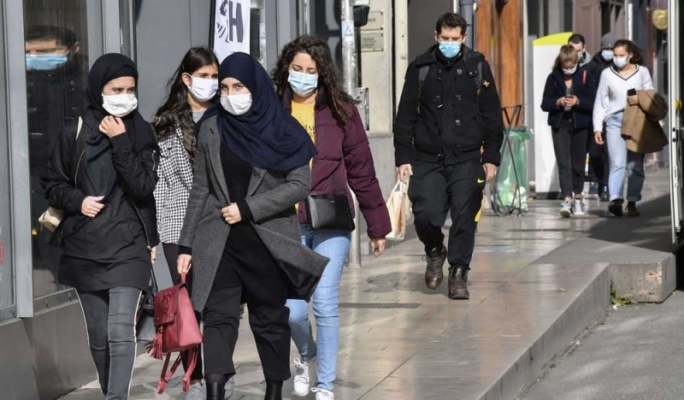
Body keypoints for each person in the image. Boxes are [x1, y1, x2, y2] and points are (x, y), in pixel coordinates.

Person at [176, 52, 328, 400]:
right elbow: (200, 188)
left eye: (239, 87)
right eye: (225, 88)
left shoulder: (283, 128)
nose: (231, 95)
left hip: (267, 240)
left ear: (255, 88)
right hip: (219, 241)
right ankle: (215, 389)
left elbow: (299, 185)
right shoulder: (212, 126)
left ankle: (274, 389)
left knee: (269, 319)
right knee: (218, 316)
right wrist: (186, 245)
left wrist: (248, 208)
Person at [272, 36, 391, 400]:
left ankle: (325, 384)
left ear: (323, 73)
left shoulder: (341, 111)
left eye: (311, 70)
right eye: (297, 69)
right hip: (286, 222)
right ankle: (307, 353)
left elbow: (362, 170)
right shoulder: (272, 107)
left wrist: (377, 227)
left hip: (329, 219)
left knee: (324, 304)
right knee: (292, 311)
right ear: (286, 68)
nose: (303, 76)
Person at [42, 53, 159, 399]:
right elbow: (52, 184)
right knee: (98, 336)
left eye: (130, 89)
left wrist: (120, 141)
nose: (125, 96)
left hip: (130, 246)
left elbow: (143, 187)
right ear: (98, 90)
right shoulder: (74, 133)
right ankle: (112, 390)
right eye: (116, 89)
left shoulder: (141, 132)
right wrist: (78, 201)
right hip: (85, 247)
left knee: (121, 331)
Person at [393, 12, 504, 300]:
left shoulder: (477, 66)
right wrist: (403, 157)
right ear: (436, 36)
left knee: (465, 219)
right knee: (425, 215)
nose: (450, 43)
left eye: (455, 39)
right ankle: (434, 250)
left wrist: (491, 156)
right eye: (445, 38)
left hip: (467, 158)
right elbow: (405, 116)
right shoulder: (420, 67)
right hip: (427, 158)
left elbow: (492, 115)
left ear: (464, 37)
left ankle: (458, 272)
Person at [153, 47, 235, 399]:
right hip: (177, 225)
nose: (210, 83)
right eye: (203, 76)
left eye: (215, 76)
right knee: (187, 306)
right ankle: (196, 376)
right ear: (187, 79)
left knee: (221, 303)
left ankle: (219, 369)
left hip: (219, 223)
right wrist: (156, 235)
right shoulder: (166, 123)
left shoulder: (227, 116)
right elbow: (160, 183)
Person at [25, 25, 88, 292]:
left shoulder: (88, 81)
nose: (35, 58)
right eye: (30, 53)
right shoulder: (22, 81)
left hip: (79, 171)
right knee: (48, 231)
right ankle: (64, 286)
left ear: (74, 50)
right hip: (36, 171)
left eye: (47, 52)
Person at [593, 39, 654, 217]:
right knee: (617, 162)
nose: (617, 58)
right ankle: (616, 200)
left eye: (621, 55)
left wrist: (639, 98)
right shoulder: (607, 74)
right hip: (614, 120)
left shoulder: (642, 72)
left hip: (637, 120)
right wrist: (597, 127)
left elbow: (651, 94)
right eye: (615, 55)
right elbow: (600, 101)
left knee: (635, 165)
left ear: (630, 55)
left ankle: (632, 201)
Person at [541, 45, 597, 217]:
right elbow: (545, 104)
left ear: (576, 62)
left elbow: (593, 102)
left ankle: (578, 196)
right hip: (561, 124)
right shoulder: (553, 78)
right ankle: (567, 198)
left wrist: (578, 102)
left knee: (578, 164)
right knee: (564, 163)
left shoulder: (585, 76)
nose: (569, 69)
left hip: (580, 125)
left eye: (571, 66)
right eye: (565, 66)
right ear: (561, 63)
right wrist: (557, 102)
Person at [586, 32, 617, 202]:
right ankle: (598, 181)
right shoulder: (591, 67)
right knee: (595, 153)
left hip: (611, 115)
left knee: (608, 154)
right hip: (595, 114)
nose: (609, 51)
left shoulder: (618, 66)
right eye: (607, 48)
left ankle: (606, 186)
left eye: (612, 49)